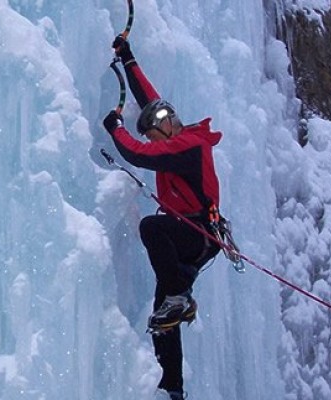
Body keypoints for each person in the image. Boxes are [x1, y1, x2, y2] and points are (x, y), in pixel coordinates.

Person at [102, 36, 222, 400]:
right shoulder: (171, 140)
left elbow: (137, 154)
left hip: (197, 231)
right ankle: (173, 389)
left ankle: (178, 292)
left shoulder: (188, 145)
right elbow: (148, 101)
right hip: (191, 238)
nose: (154, 137)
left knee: (151, 227)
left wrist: (115, 129)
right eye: (152, 133)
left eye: (156, 130)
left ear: (170, 124)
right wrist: (128, 58)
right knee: (163, 320)